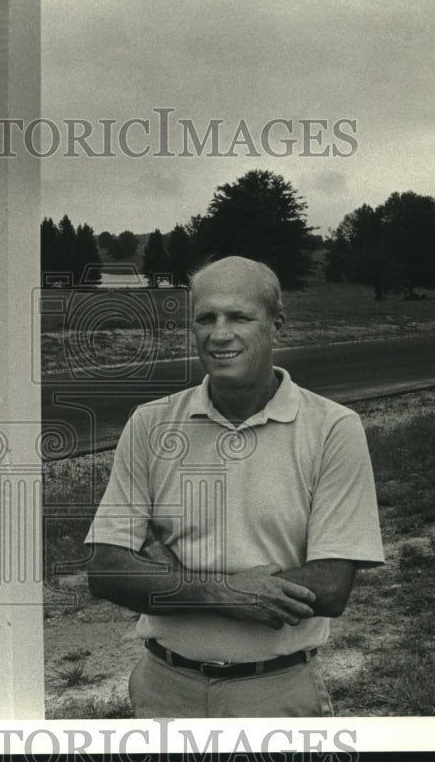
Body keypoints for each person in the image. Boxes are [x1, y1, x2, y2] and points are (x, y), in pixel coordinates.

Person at [84, 255, 384, 718]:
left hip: (276, 693)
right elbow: (106, 570)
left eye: (239, 316)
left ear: (276, 324)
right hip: (165, 688)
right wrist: (229, 591)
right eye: (206, 318)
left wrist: (169, 575)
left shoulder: (333, 428)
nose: (219, 334)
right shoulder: (150, 424)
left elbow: (328, 587)